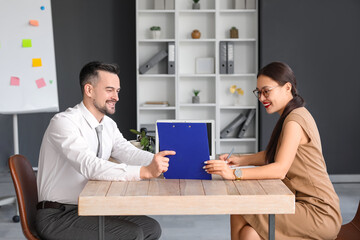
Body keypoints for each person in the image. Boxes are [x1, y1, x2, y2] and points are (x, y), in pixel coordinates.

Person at [36, 61, 175, 240]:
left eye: (117, 91)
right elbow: (89, 166)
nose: (116, 97)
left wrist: (160, 161)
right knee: (132, 234)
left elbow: (127, 152)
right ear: (89, 90)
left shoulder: (108, 124)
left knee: (150, 228)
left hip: (91, 206)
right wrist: (145, 171)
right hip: (58, 215)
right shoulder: (64, 122)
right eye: (109, 90)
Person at [204, 62, 342, 240]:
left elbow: (279, 169)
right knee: (249, 234)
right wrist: (240, 159)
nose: (261, 98)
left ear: (287, 88)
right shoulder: (294, 115)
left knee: (239, 208)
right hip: (302, 204)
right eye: (258, 92)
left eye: (266, 91)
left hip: (318, 213)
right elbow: (275, 154)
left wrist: (234, 173)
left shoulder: (294, 121)